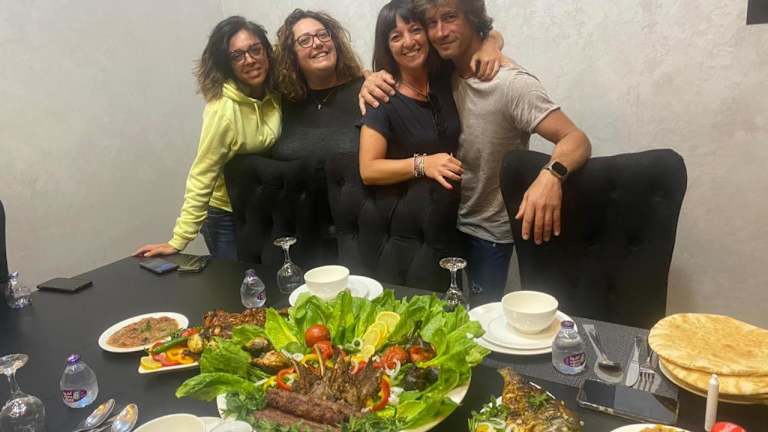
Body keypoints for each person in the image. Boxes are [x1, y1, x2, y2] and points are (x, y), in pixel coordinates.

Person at [361, 0, 591, 301]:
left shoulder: (511, 84)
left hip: (487, 231)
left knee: (483, 314)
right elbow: (369, 166)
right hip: (442, 222)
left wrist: (551, 175)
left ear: (472, 19)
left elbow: (576, 138)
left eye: (450, 17)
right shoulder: (444, 73)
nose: (440, 32)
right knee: (446, 312)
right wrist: (369, 77)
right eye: (431, 23)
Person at [133, 16, 281, 259]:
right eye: (237, 55)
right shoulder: (222, 111)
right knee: (232, 280)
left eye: (255, 49)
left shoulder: (276, 95)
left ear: (266, 51)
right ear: (226, 63)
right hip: (225, 215)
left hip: (261, 208)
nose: (250, 60)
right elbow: (203, 174)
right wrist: (179, 240)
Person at [359, 0, 463, 190]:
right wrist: (423, 164)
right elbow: (368, 170)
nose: (408, 42)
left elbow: (480, 38)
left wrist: (493, 42)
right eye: (396, 37)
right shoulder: (382, 94)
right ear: (387, 47)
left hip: (463, 201)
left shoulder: (446, 75)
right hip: (414, 204)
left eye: (415, 30)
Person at [270, 9, 365, 161]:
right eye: (305, 40)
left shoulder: (366, 91)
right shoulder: (284, 100)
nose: (318, 43)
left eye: (323, 35)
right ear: (292, 54)